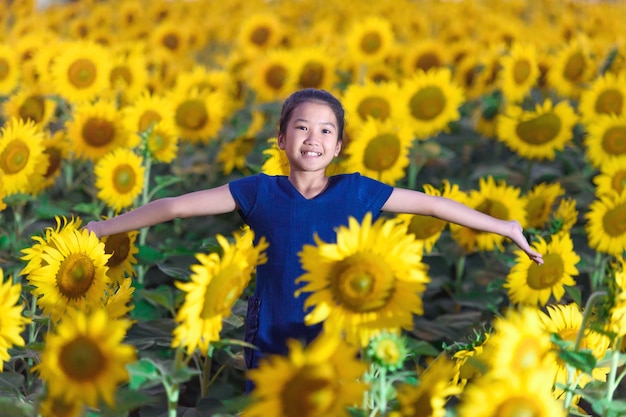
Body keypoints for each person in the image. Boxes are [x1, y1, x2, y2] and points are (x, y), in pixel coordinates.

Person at [85, 88, 543, 374]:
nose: (313, 138)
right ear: (281, 140)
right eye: (301, 127)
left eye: (326, 130)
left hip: (337, 333)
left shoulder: (356, 192)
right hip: (270, 331)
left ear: (338, 146)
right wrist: (105, 227)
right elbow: (175, 207)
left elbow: (432, 205)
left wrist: (505, 226)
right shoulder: (259, 191)